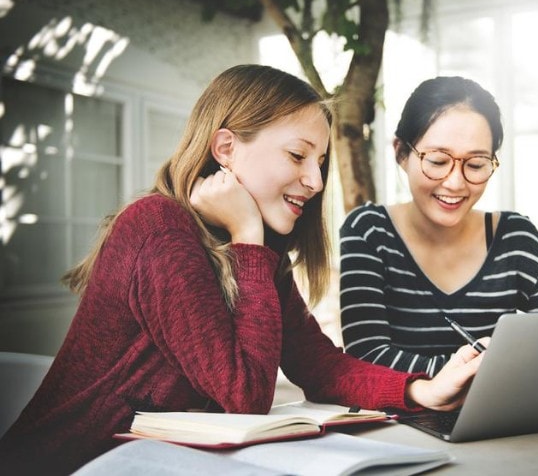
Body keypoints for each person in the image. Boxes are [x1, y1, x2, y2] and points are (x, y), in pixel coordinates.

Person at [0, 65, 484, 475]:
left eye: (319, 162)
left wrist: (425, 388)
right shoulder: (158, 227)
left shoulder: (255, 256)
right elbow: (244, 395)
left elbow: (319, 365)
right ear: (225, 148)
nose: (315, 181)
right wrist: (248, 237)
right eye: (297, 156)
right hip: (70, 466)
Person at [340, 76, 538, 377]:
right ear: (401, 152)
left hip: (500, 417)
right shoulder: (371, 231)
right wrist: (486, 372)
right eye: (438, 161)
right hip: (400, 421)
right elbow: (366, 357)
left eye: (476, 165)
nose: (455, 183)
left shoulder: (516, 239)